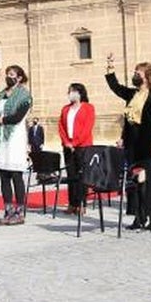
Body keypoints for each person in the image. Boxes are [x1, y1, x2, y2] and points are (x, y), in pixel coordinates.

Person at [105, 56, 151, 231]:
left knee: (150, 181)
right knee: (135, 181)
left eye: (137, 73)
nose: (134, 75)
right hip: (133, 144)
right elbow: (116, 88)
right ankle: (139, 217)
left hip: (149, 143)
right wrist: (110, 69)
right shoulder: (133, 94)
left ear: (147, 76)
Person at [0, 65, 32, 225]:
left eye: (11, 74)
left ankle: (19, 212)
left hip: (16, 136)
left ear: (19, 77)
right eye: (7, 74)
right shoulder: (2, 94)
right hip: (3, 137)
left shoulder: (25, 95)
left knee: (16, 175)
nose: (8, 77)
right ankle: (8, 210)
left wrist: (2, 120)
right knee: (4, 175)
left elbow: (18, 117)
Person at [58, 82, 95, 216]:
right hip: (68, 147)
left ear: (80, 93)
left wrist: (75, 143)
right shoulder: (65, 109)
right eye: (69, 91)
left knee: (82, 176)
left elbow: (87, 128)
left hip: (83, 146)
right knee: (71, 175)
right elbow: (61, 127)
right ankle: (72, 204)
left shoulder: (88, 108)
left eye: (72, 91)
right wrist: (66, 142)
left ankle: (81, 204)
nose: (70, 94)